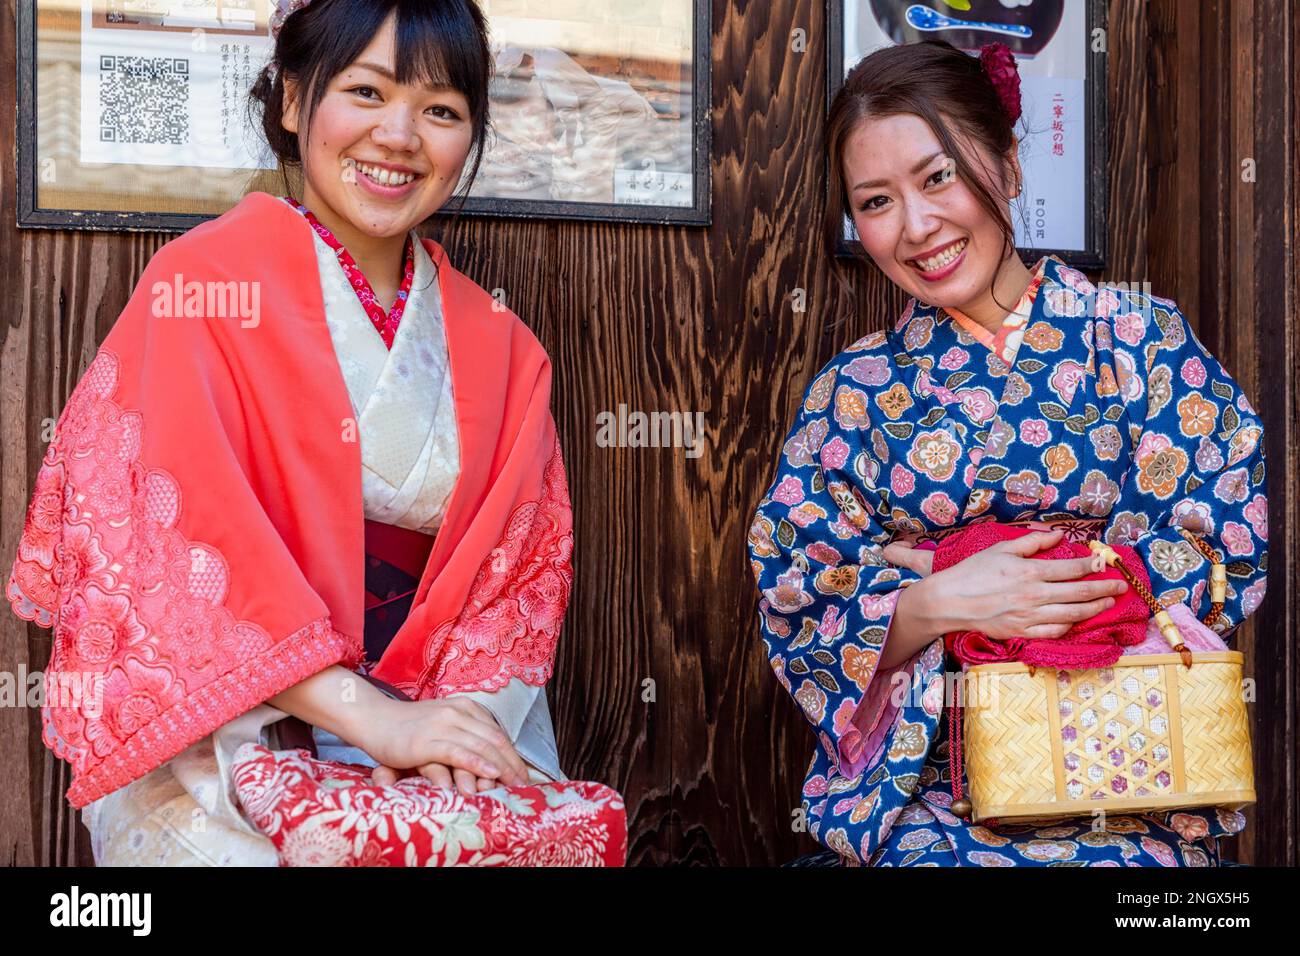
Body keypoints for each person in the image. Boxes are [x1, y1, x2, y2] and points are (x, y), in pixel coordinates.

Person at [7, 0, 622, 866]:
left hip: (442, 719)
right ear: (295, 102)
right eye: (366, 92)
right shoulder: (200, 289)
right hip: (223, 732)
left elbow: (514, 581)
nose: (399, 135)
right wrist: (371, 720)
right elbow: (161, 545)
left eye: (441, 110)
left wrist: (441, 734)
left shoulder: (503, 348)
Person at [747, 40, 1267, 866]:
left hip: (1128, 777)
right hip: (930, 794)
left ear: (1009, 165)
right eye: (876, 201)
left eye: (938, 176)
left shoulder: (1139, 340)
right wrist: (941, 603)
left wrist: (962, 562)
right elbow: (799, 585)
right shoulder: (853, 391)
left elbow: (1219, 541)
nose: (917, 227)